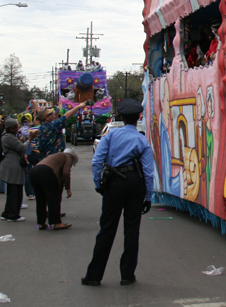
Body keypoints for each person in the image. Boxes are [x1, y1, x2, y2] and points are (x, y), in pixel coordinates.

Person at [83, 98, 155, 286]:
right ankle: (127, 275)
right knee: (132, 230)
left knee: (107, 228)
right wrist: (148, 197)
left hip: (114, 183)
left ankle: (94, 276)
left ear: (121, 117)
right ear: (138, 118)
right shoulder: (142, 140)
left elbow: (97, 161)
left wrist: (98, 183)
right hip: (135, 184)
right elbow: (148, 172)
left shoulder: (110, 136)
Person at [0, 117, 38, 222]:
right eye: (13, 128)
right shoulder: (9, 137)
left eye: (17, 127)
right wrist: (30, 139)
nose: (16, 129)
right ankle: (13, 214)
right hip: (13, 165)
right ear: (8, 128)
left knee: (11, 191)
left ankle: (7, 213)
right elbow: (22, 148)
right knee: (15, 191)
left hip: (10, 164)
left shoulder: (7, 136)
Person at [29, 148, 78, 230]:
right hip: (46, 172)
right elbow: (66, 173)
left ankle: (41, 223)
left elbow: (58, 180)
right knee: (53, 198)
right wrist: (68, 189)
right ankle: (57, 223)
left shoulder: (54, 157)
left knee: (41, 199)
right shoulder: (68, 157)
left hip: (33, 172)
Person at [17, 113, 36, 200]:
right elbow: (28, 136)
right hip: (27, 151)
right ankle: (31, 192)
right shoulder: (26, 129)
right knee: (28, 172)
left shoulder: (21, 129)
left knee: (28, 172)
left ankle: (31, 192)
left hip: (27, 152)